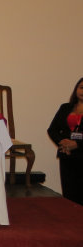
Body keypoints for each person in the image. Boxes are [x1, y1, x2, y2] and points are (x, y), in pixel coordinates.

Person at [47, 77, 83, 205]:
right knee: (69, 194)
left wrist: (77, 144)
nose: (82, 91)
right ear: (76, 89)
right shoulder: (65, 107)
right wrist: (62, 143)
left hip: (82, 154)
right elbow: (52, 130)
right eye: (81, 87)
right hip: (67, 155)